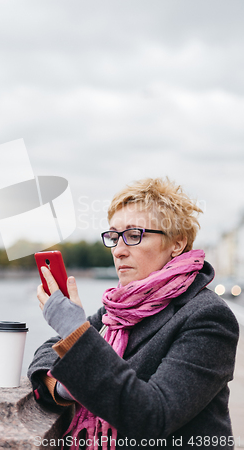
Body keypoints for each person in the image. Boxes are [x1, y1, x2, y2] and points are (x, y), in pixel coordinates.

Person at [27, 177, 239, 450]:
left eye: (134, 235)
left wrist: (75, 334)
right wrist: (65, 387)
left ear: (176, 242)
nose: (118, 250)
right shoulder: (118, 310)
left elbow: (153, 417)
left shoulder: (208, 317)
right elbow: (46, 354)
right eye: (114, 237)